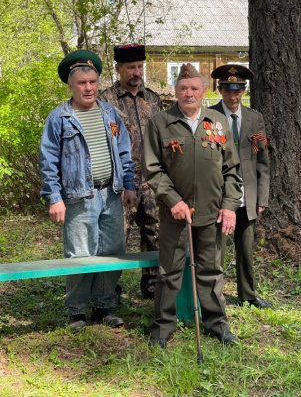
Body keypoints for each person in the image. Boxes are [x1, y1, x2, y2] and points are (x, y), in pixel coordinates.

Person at [142, 63, 243, 349]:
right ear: (175, 91)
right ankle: (161, 328)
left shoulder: (217, 122)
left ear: (204, 91)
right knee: (169, 272)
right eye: (183, 88)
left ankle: (217, 325)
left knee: (211, 271)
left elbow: (231, 170)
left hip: (213, 214)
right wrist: (173, 200)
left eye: (194, 89)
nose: (189, 93)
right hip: (176, 214)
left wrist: (229, 206)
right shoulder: (160, 123)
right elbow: (152, 169)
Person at [39, 50, 136, 332]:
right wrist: (54, 197)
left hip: (112, 194)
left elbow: (124, 152)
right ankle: (77, 311)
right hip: (79, 197)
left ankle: (105, 306)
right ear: (70, 86)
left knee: (112, 251)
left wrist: (129, 184)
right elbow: (48, 161)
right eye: (82, 82)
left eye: (92, 81)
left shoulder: (109, 113)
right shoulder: (59, 118)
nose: (89, 87)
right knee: (80, 254)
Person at [100, 44, 163, 299]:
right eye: (130, 67)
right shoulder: (106, 101)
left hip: (151, 181)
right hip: (119, 184)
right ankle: (108, 294)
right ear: (118, 69)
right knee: (116, 241)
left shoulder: (153, 99)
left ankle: (153, 289)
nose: (137, 72)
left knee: (155, 235)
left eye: (139, 67)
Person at [210, 64, 272, 309]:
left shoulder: (254, 119)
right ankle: (214, 296)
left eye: (237, 91)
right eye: (227, 91)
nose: (232, 96)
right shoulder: (210, 117)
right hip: (219, 195)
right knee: (217, 250)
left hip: (247, 195)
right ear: (219, 90)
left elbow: (262, 160)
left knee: (246, 248)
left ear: (244, 91)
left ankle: (248, 293)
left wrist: (262, 197)